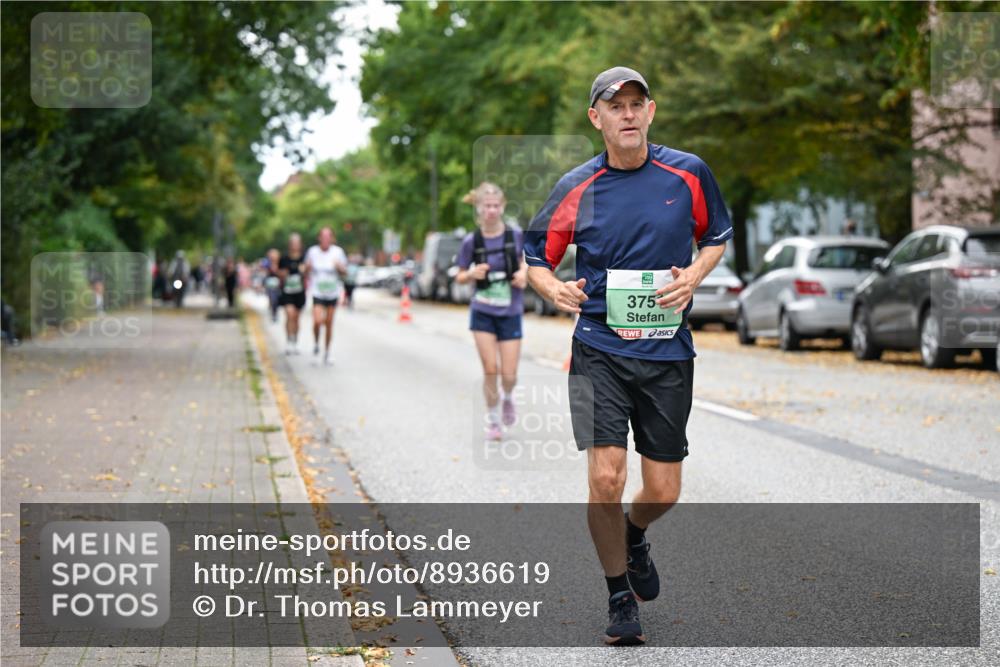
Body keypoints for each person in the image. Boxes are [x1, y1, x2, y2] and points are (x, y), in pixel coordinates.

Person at [524, 67, 733, 645]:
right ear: (596, 118)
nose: (628, 114)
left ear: (651, 111)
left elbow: (716, 234)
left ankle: (636, 534)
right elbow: (535, 257)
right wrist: (555, 289)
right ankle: (619, 594)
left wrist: (693, 275)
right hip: (600, 350)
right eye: (615, 106)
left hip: (668, 352)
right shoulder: (577, 186)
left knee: (663, 489)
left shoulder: (688, 173)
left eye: (637, 104)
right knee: (607, 478)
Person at [454, 182, 528, 441]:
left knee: (509, 373)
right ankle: (493, 420)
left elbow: (527, 263)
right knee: (490, 369)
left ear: (503, 207)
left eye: (496, 206)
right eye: (487, 206)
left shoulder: (515, 235)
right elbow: (459, 275)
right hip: (482, 311)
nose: (492, 210)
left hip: (510, 310)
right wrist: (471, 273)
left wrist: (523, 273)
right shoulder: (471, 241)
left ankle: (508, 396)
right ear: (479, 208)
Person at [304, 227, 348, 365]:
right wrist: (307, 268)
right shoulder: (312, 252)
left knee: (329, 323)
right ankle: (316, 345)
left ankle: (327, 353)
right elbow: (305, 272)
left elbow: (345, 272)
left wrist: (339, 267)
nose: (326, 239)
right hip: (317, 292)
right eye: (323, 236)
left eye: (328, 236)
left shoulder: (338, 252)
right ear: (319, 238)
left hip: (332, 293)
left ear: (332, 238)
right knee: (317, 321)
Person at [278, 234, 307, 354]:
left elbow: (308, 274)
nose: (295, 246)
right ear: (290, 245)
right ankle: (288, 341)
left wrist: (304, 271)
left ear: (300, 245)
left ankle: (295, 341)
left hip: (299, 292)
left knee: (296, 318)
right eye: (293, 243)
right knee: (289, 315)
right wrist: (284, 273)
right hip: (287, 291)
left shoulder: (304, 258)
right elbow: (279, 273)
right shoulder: (284, 258)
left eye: (297, 243)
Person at [263, 248, 282, 322]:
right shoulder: (267, 263)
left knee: (276, 299)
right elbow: (263, 270)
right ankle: (273, 312)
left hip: (278, 284)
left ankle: (275, 312)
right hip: (270, 283)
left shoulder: (280, 262)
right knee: (272, 298)